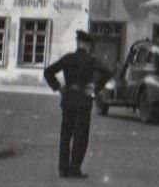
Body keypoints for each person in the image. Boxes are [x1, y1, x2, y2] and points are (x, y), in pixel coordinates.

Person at [43, 30, 110, 178]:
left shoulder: (68, 58)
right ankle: (75, 168)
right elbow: (107, 72)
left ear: (78, 43)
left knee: (65, 135)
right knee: (81, 136)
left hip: (68, 99)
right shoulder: (91, 60)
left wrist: (58, 88)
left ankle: (62, 169)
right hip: (83, 101)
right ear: (87, 45)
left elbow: (48, 72)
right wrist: (94, 87)